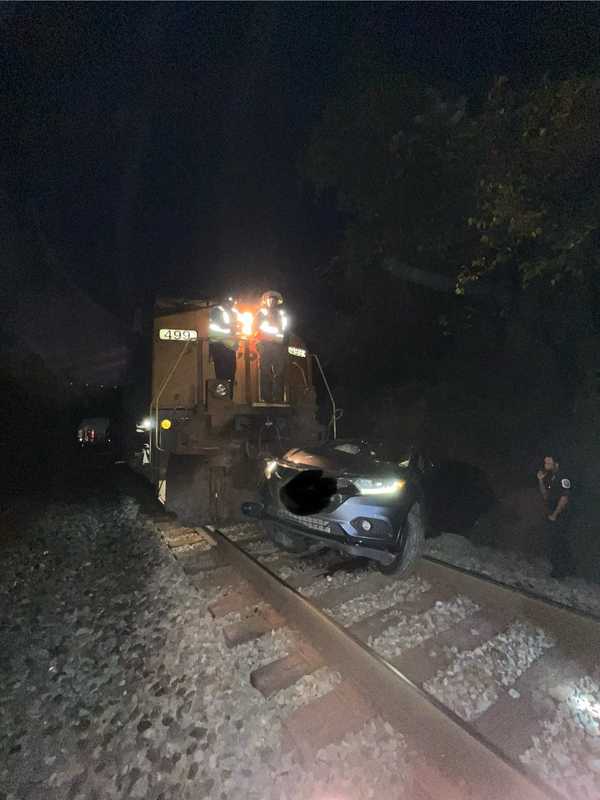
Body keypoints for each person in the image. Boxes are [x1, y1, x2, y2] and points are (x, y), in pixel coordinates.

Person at [537, 454, 574, 578]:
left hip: (562, 515)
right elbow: (546, 496)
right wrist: (541, 481)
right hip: (552, 512)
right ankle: (558, 569)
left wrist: (555, 514)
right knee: (553, 540)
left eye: (548, 463)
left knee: (558, 541)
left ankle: (561, 570)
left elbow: (564, 498)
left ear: (556, 463)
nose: (546, 465)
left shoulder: (563, 477)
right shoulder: (551, 477)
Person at [255, 290, 289, 402]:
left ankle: (278, 397)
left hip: (279, 347)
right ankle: (266, 397)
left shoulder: (282, 314)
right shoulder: (261, 313)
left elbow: (285, 330)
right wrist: (259, 343)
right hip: (265, 345)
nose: (272, 301)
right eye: (270, 299)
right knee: (265, 371)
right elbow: (256, 329)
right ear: (266, 301)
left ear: (277, 302)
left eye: (274, 300)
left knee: (280, 371)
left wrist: (285, 345)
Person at [208, 298, 239, 390]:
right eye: (228, 300)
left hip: (230, 348)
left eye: (232, 300)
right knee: (221, 375)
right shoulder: (217, 311)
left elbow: (235, 330)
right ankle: (222, 400)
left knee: (231, 374)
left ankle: (228, 399)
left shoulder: (234, 313)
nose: (231, 303)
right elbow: (219, 330)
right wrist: (232, 343)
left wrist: (235, 342)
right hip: (219, 347)